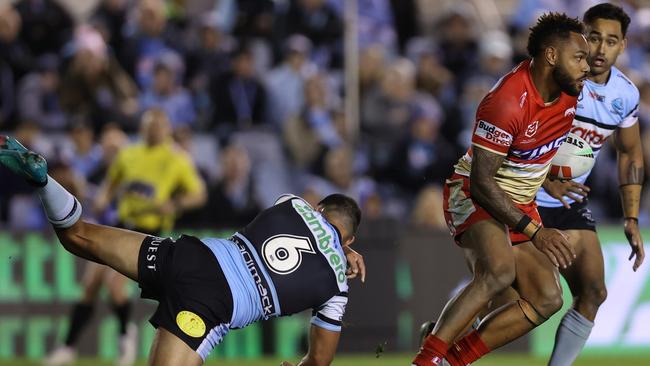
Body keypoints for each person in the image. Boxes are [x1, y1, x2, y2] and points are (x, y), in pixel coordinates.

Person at [0, 135, 367, 365]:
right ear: (350, 239)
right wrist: (343, 257)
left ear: (319, 207)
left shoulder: (294, 202)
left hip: (191, 256)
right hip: (209, 303)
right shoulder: (337, 285)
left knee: (79, 236)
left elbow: (307, 234)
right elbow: (319, 359)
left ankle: (43, 181)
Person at [412, 13, 590, 366]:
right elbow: (482, 180)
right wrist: (536, 233)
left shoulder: (569, 93)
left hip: (518, 200)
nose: (586, 66)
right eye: (579, 57)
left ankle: (451, 359)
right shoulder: (507, 101)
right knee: (499, 272)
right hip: (474, 193)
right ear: (551, 56)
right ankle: (427, 360)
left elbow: (531, 149)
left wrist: (547, 179)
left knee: (548, 298)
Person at [45, 108, 207, 366]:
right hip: (122, 223)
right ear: (143, 128)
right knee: (90, 284)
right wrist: (103, 198)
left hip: (149, 231)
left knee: (114, 284)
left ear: (166, 128)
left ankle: (125, 338)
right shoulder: (129, 154)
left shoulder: (177, 159)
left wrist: (175, 204)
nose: (154, 130)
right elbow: (112, 182)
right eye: (149, 125)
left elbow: (198, 194)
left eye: (158, 125)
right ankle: (69, 347)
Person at [535, 4, 645, 365]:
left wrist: (631, 218)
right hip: (524, 195)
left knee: (594, 291)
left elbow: (629, 154)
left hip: (568, 203)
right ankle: (445, 347)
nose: (600, 49)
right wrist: (544, 175)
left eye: (610, 41)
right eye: (594, 37)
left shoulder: (625, 95)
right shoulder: (554, 78)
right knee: (526, 299)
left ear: (623, 46)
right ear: (581, 36)